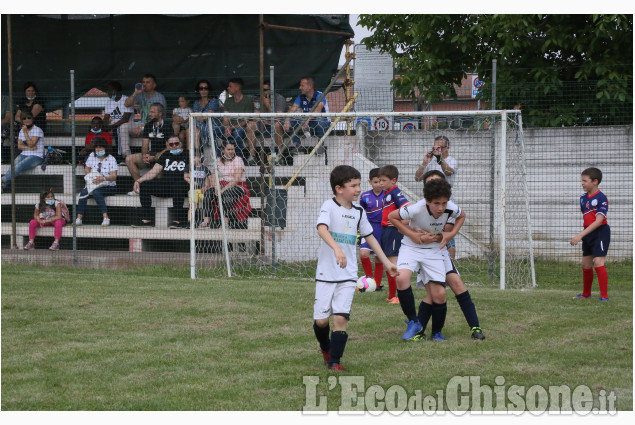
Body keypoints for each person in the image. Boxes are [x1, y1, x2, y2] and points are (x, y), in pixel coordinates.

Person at [313, 165, 398, 371]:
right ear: (339, 188)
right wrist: (336, 249)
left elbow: (370, 237)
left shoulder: (359, 212)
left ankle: (335, 361)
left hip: (348, 274)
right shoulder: (329, 206)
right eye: (354, 185)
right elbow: (321, 228)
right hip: (326, 273)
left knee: (341, 318)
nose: (359, 189)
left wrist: (387, 263)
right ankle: (326, 347)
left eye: (359, 184)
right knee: (322, 321)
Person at [388, 178, 466, 341]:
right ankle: (413, 322)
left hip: (433, 250)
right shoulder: (415, 209)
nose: (441, 207)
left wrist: (450, 234)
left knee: (439, 294)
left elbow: (462, 216)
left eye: (444, 203)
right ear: (427, 201)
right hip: (411, 247)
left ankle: (437, 332)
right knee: (401, 278)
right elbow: (392, 217)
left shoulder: (451, 208)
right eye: (436, 203)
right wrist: (412, 235)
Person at [413, 170, 485, 340]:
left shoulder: (448, 207)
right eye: (429, 182)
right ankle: (419, 331)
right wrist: (417, 235)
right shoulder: (418, 208)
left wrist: (443, 235)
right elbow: (402, 223)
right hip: (424, 254)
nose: (433, 184)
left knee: (457, 285)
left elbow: (446, 231)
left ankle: (475, 328)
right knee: (435, 295)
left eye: (437, 181)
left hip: (441, 252)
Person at [414, 135, 458, 259]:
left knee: (448, 235)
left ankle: (451, 266)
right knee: (429, 232)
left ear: (447, 148)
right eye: (435, 147)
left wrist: (440, 159)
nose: (437, 150)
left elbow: (449, 172)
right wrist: (424, 163)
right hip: (430, 203)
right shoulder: (430, 161)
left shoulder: (452, 160)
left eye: (440, 147)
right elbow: (417, 178)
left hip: (445, 203)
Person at [131, 136, 189, 229]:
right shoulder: (165, 155)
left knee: (179, 185)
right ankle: (146, 219)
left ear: (180, 144)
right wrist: (138, 180)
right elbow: (154, 172)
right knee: (145, 185)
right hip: (167, 185)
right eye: (171, 144)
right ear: (167, 145)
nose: (174, 146)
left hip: (183, 185)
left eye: (176, 143)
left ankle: (178, 220)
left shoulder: (188, 154)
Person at [570, 167, 610, 301]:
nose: (582, 183)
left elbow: (599, 221)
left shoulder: (601, 198)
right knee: (586, 265)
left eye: (585, 181)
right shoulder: (582, 199)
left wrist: (580, 235)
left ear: (595, 182)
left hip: (600, 233)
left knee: (598, 262)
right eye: (581, 180)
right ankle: (586, 294)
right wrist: (584, 234)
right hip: (588, 233)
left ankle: (604, 296)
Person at [377, 165, 410, 303]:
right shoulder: (387, 194)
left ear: (393, 180)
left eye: (384, 180)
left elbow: (407, 208)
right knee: (388, 263)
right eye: (380, 180)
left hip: (393, 232)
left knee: (393, 262)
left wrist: (402, 222)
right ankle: (392, 295)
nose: (381, 183)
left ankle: (398, 296)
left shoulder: (396, 193)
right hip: (386, 231)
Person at [125, 102, 173, 191]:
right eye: (150, 112)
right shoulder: (148, 125)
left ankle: (155, 189)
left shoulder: (167, 126)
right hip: (151, 154)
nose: (150, 114)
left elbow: (170, 147)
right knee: (129, 158)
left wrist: (154, 157)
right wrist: (144, 156)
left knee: (159, 169)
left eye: (153, 112)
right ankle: (139, 186)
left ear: (160, 114)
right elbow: (145, 144)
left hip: (163, 156)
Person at [204, 141, 252, 229]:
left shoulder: (238, 160)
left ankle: (225, 223)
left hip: (236, 186)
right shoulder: (218, 160)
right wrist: (216, 187)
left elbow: (237, 179)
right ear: (223, 150)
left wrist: (223, 189)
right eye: (228, 149)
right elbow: (213, 176)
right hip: (220, 184)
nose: (231, 151)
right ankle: (206, 222)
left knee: (226, 194)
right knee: (208, 194)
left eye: (232, 149)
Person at [118, 74, 167, 159]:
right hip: (138, 123)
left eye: (148, 82)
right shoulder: (139, 95)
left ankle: (151, 156)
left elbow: (159, 118)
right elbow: (126, 104)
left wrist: (142, 128)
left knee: (152, 129)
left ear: (154, 85)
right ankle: (127, 156)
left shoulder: (159, 97)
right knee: (123, 127)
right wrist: (135, 93)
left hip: (153, 124)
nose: (144, 84)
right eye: (143, 82)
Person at [75, 139, 118, 227]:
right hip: (93, 184)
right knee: (83, 192)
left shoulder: (111, 159)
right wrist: (90, 176)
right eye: (97, 149)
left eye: (100, 148)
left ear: (105, 148)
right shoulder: (91, 156)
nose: (98, 150)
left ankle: (105, 217)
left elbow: (114, 176)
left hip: (108, 185)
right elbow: (87, 168)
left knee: (96, 192)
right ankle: (79, 218)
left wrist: (103, 178)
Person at [283, 76, 330, 154]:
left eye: (302, 85)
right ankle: (297, 145)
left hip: (322, 124)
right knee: (293, 120)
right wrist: (287, 120)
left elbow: (317, 111)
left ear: (310, 86)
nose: (300, 88)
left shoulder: (320, 95)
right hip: (308, 125)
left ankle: (320, 145)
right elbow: (292, 109)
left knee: (320, 120)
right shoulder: (300, 97)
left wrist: (307, 120)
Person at [2, 112, 44, 191]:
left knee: (18, 166)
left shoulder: (37, 130)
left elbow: (31, 144)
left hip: (36, 156)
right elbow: (19, 146)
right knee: (13, 166)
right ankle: (3, 186)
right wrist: (30, 148)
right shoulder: (22, 130)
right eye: (24, 118)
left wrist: (25, 133)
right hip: (24, 154)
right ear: (22, 121)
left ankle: (2, 180)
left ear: (32, 119)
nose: (27, 120)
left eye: (29, 118)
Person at [221, 77, 259, 165]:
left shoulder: (247, 100)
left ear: (237, 88)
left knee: (237, 133)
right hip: (229, 127)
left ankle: (238, 159)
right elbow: (225, 118)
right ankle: (218, 158)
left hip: (241, 127)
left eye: (230, 86)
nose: (228, 88)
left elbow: (247, 120)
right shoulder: (228, 101)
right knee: (215, 130)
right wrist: (226, 127)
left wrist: (232, 127)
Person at [358, 168, 385, 290]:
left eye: (381, 181)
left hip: (383, 228)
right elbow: (361, 213)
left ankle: (377, 284)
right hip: (368, 228)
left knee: (379, 257)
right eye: (375, 182)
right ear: (370, 182)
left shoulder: (388, 195)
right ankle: (369, 280)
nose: (379, 184)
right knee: (364, 254)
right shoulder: (365, 196)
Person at [191, 80, 222, 155]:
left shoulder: (214, 101)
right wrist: (202, 116)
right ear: (198, 90)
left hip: (213, 125)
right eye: (201, 88)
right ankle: (197, 153)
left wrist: (200, 116)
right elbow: (196, 116)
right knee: (193, 127)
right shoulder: (196, 102)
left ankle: (199, 153)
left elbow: (208, 115)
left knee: (195, 124)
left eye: (206, 88)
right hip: (200, 126)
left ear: (209, 90)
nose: (203, 90)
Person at [103, 81, 134, 156]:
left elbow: (125, 119)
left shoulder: (126, 100)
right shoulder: (109, 102)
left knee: (119, 129)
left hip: (126, 125)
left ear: (114, 91)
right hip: (113, 126)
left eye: (109, 90)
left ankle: (120, 156)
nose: (107, 93)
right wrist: (104, 126)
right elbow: (106, 118)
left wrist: (112, 126)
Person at [258, 81, 288, 154]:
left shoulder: (279, 98)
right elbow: (256, 114)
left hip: (278, 126)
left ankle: (280, 154)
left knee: (277, 125)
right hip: (265, 125)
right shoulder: (260, 98)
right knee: (251, 125)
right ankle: (252, 157)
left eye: (265, 90)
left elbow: (278, 117)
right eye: (262, 90)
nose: (263, 92)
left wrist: (268, 104)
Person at [184, 154, 213, 228]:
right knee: (192, 205)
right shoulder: (189, 167)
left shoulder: (204, 168)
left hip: (202, 189)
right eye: (191, 158)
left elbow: (209, 178)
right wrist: (192, 182)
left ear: (199, 158)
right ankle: (190, 222)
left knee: (205, 203)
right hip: (193, 189)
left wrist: (206, 186)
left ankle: (204, 221)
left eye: (194, 157)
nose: (192, 159)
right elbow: (186, 177)